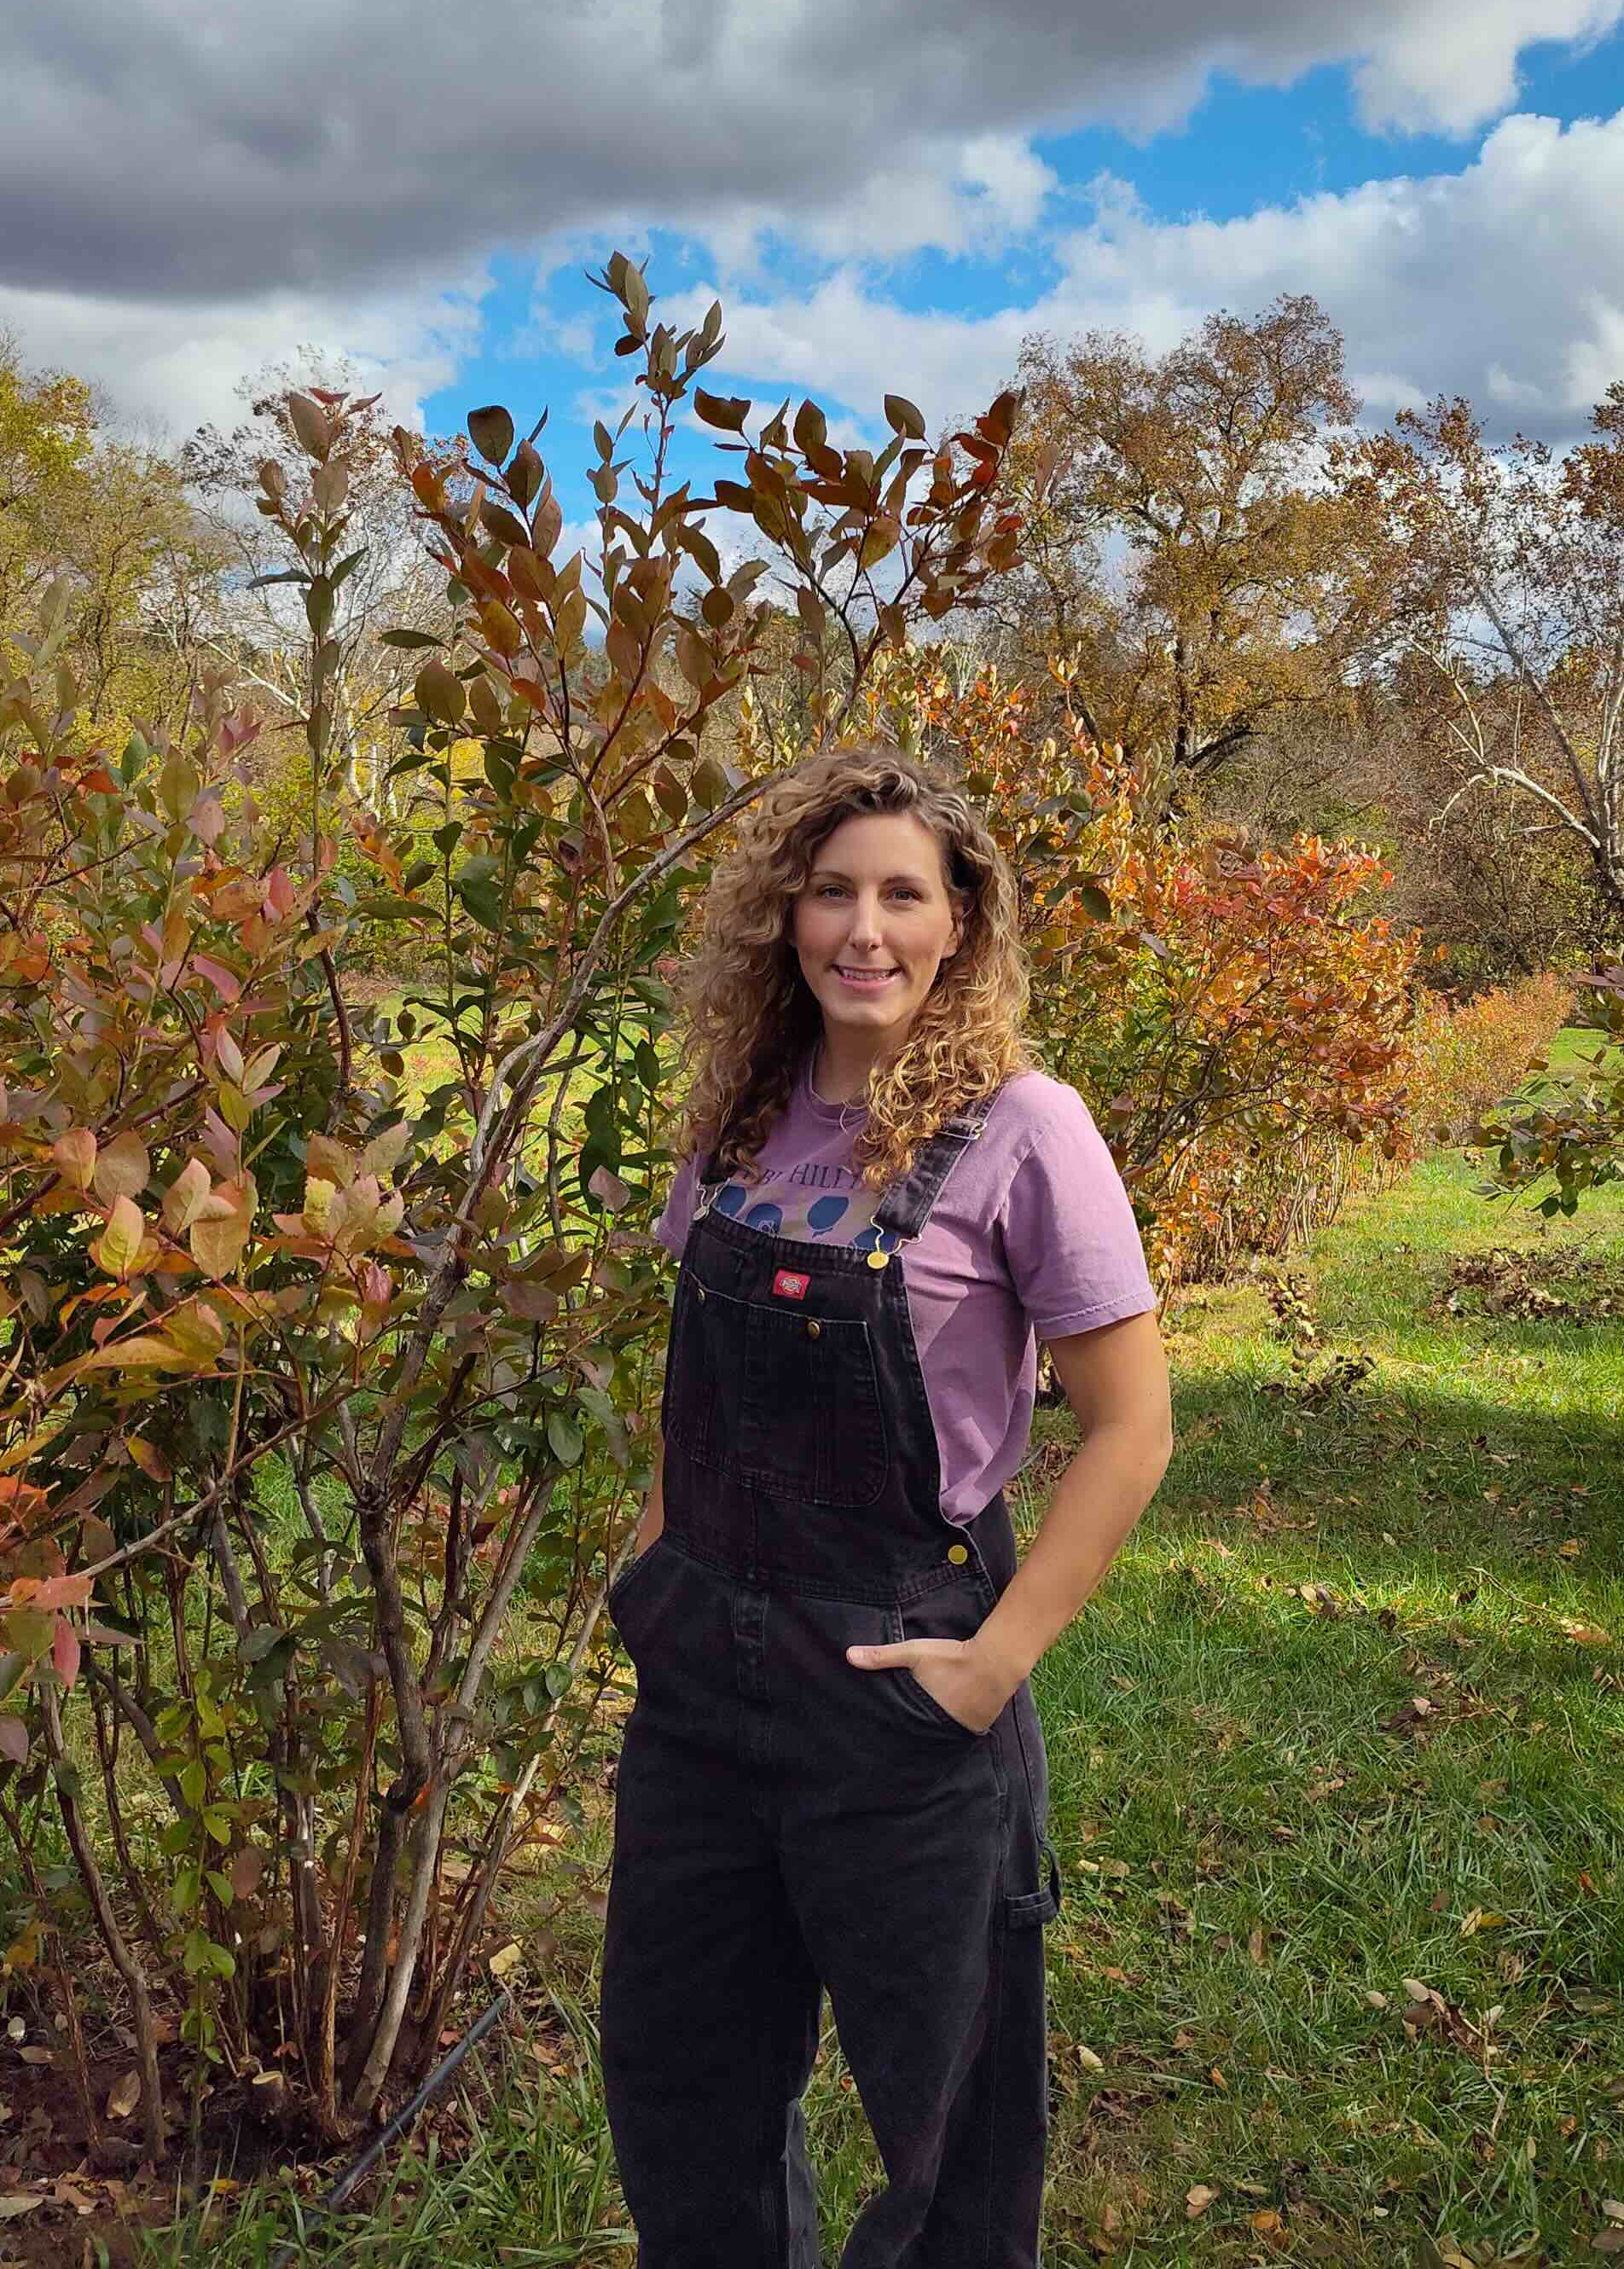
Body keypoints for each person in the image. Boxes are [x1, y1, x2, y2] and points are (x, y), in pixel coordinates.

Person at [599, 744, 1175, 2267]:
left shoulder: (1025, 1129)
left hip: (903, 1682)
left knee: (949, 2133)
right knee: (685, 2091)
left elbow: (1131, 1430)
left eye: (903, 895)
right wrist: (662, 1569)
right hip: (704, 1688)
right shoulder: (741, 1119)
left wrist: (991, 1669)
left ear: (959, 926)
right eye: (833, 890)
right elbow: (696, 1383)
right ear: (785, 919)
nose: (866, 927)